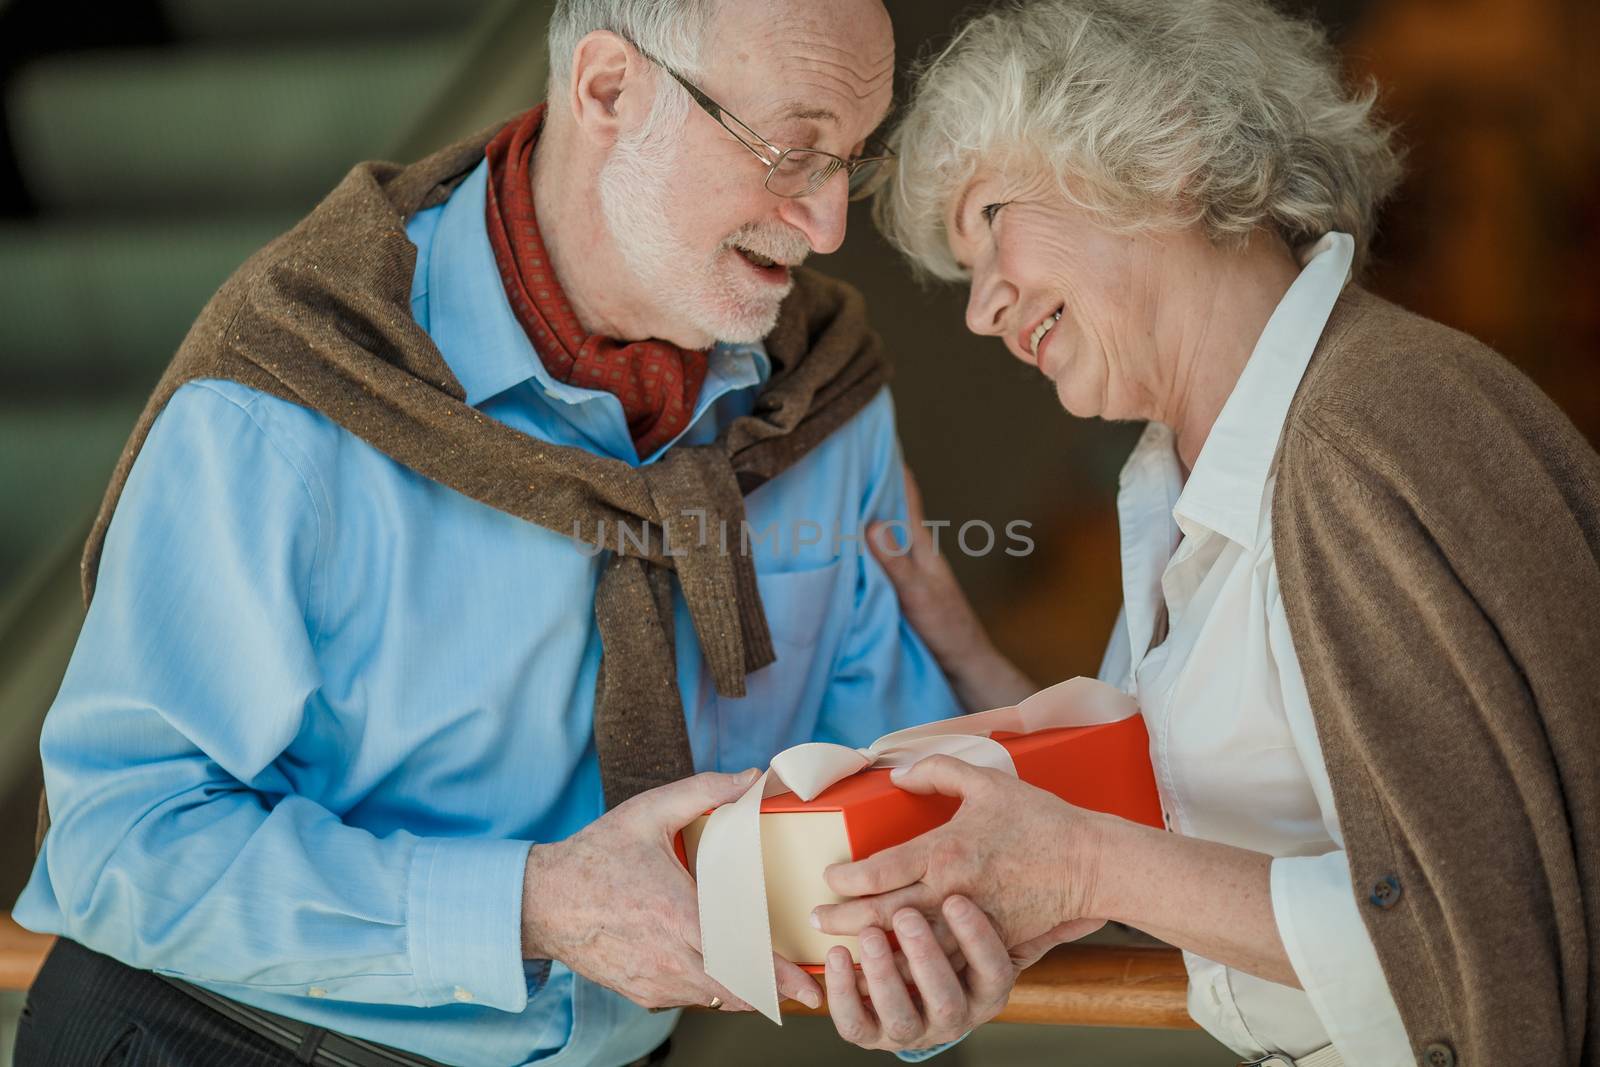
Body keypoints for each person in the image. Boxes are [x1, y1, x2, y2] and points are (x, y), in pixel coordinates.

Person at [10, 1, 1025, 1063]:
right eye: (791, 151)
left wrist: (917, 944)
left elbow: (877, 811)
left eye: (849, 164)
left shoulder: (820, 402)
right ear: (607, 91)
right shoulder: (291, 389)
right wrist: (532, 905)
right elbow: (116, 841)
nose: (826, 225)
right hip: (221, 1040)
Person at [810, 1, 1600, 1065]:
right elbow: (1179, 830)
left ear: (1165, 154)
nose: (979, 309)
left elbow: (1492, 932)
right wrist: (960, 646)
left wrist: (1084, 868)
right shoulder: (1185, 482)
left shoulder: (1371, 427)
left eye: (993, 216)